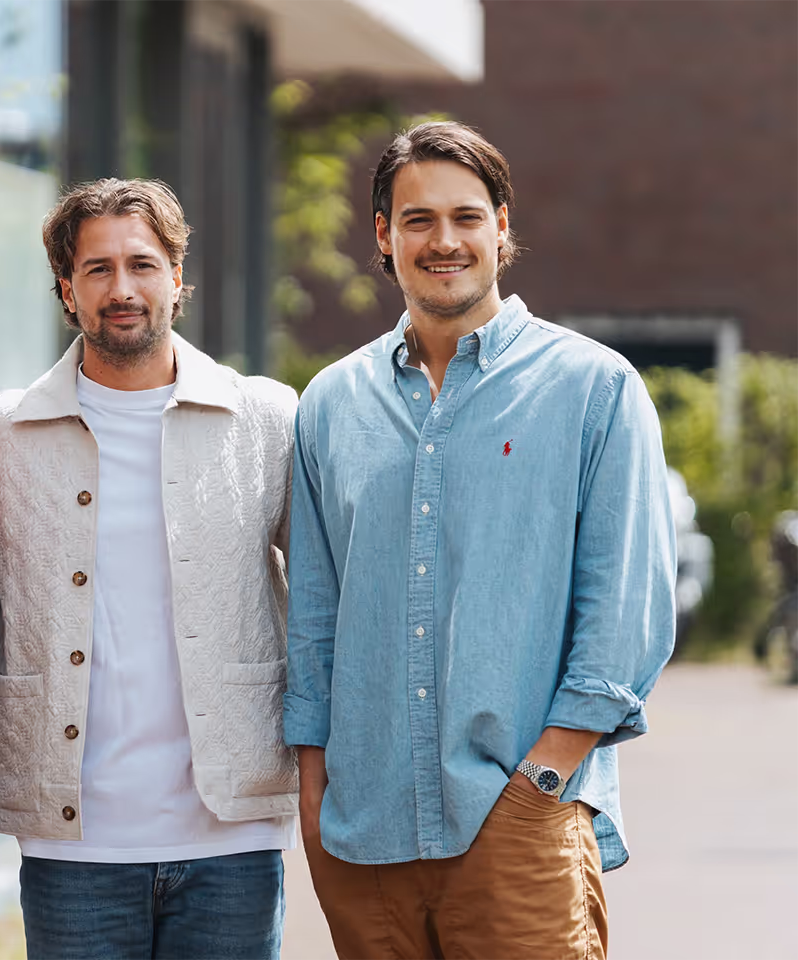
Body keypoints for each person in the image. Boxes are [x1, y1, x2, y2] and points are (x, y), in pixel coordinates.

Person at [284, 121, 676, 959]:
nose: (444, 240)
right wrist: (315, 794)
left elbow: (625, 611)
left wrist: (540, 783)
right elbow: (314, 614)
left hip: (519, 819)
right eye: (417, 219)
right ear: (383, 236)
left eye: (466, 216)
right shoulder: (328, 403)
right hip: (364, 835)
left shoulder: (593, 388)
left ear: (502, 227)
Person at [0, 178, 298, 960]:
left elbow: (325, 602)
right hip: (72, 843)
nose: (122, 289)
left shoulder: (267, 420)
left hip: (233, 836)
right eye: (97, 269)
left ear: (178, 277)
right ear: (66, 291)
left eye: (142, 264)